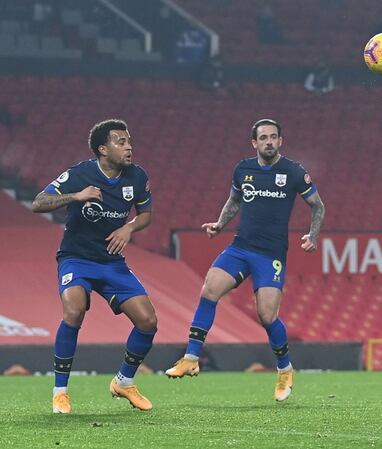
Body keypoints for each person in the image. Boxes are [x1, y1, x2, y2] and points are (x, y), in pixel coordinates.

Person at [165, 119, 325, 403]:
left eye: (273, 137)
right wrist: (219, 224)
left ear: (280, 141)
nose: (268, 142)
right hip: (240, 247)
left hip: (271, 254)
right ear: (254, 143)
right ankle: (191, 357)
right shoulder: (243, 169)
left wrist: (312, 236)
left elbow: (317, 204)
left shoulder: (293, 171)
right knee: (209, 289)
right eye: (263, 138)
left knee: (267, 316)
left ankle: (285, 369)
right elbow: (235, 200)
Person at [31, 119, 156, 413]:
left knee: (148, 322)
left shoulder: (137, 176)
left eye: (129, 141)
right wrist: (76, 196)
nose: (129, 147)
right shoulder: (80, 173)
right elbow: (38, 202)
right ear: (103, 149)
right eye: (121, 142)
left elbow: (146, 214)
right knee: (74, 310)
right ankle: (60, 391)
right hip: (76, 258)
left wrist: (130, 228)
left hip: (112, 262)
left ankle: (123, 382)